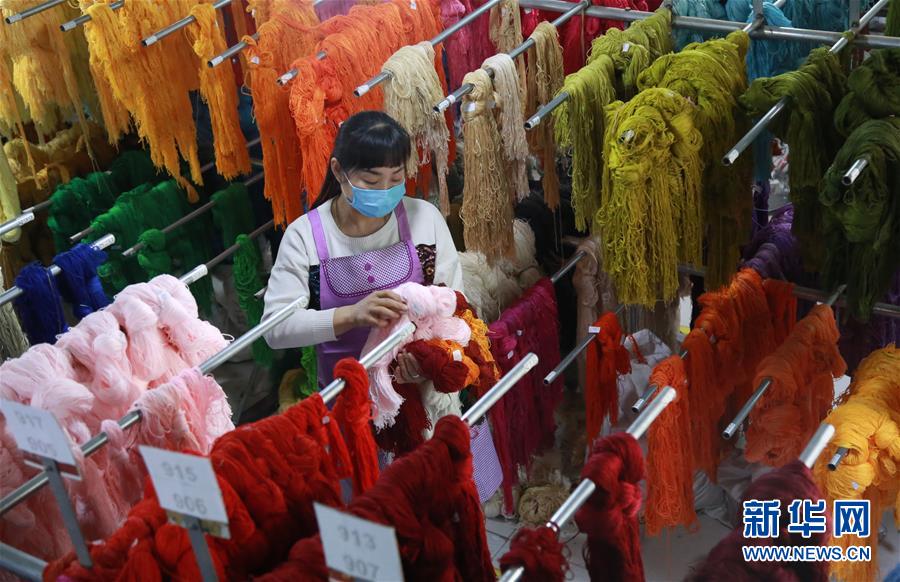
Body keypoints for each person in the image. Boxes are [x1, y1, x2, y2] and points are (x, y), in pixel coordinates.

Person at [263, 111, 463, 386]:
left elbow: (457, 305)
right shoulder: (305, 236)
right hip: (344, 396)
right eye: (371, 181)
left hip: (422, 390)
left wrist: (430, 360)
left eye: (396, 178)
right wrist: (352, 315)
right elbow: (276, 329)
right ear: (338, 171)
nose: (385, 190)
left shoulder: (424, 219)